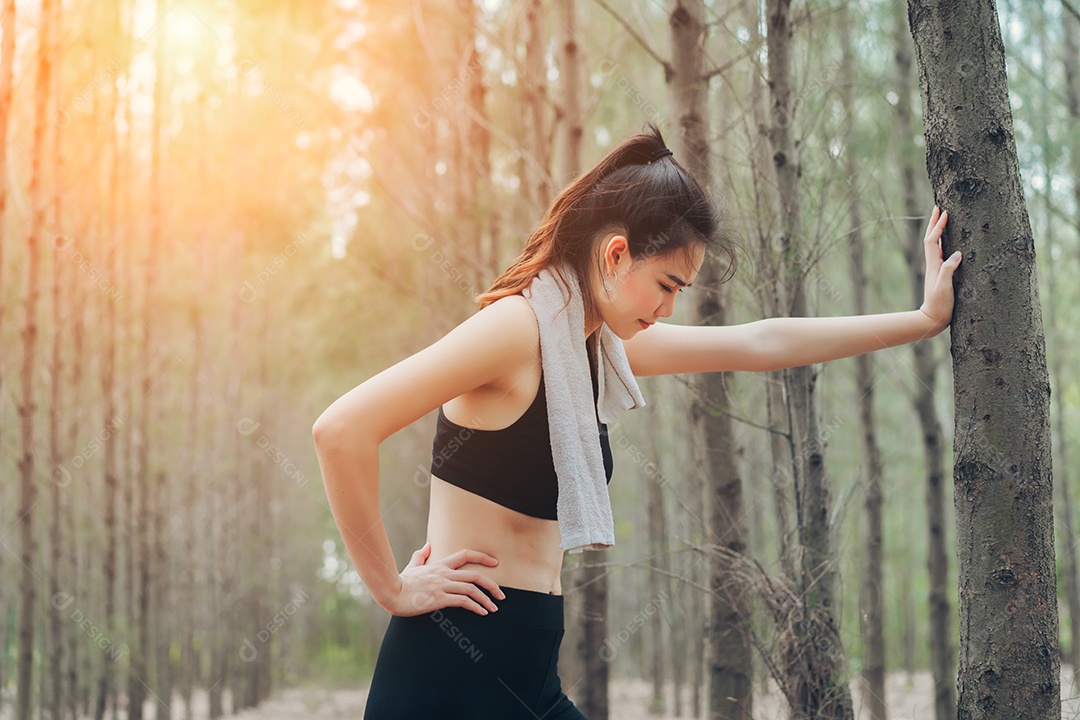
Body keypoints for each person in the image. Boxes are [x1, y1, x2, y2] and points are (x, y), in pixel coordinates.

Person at [311, 124, 960, 719]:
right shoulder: (516, 330)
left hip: (529, 674)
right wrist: (391, 589)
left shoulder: (592, 349)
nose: (669, 308)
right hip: (447, 677)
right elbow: (341, 431)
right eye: (667, 285)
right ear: (616, 254)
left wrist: (923, 320)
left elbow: (760, 342)